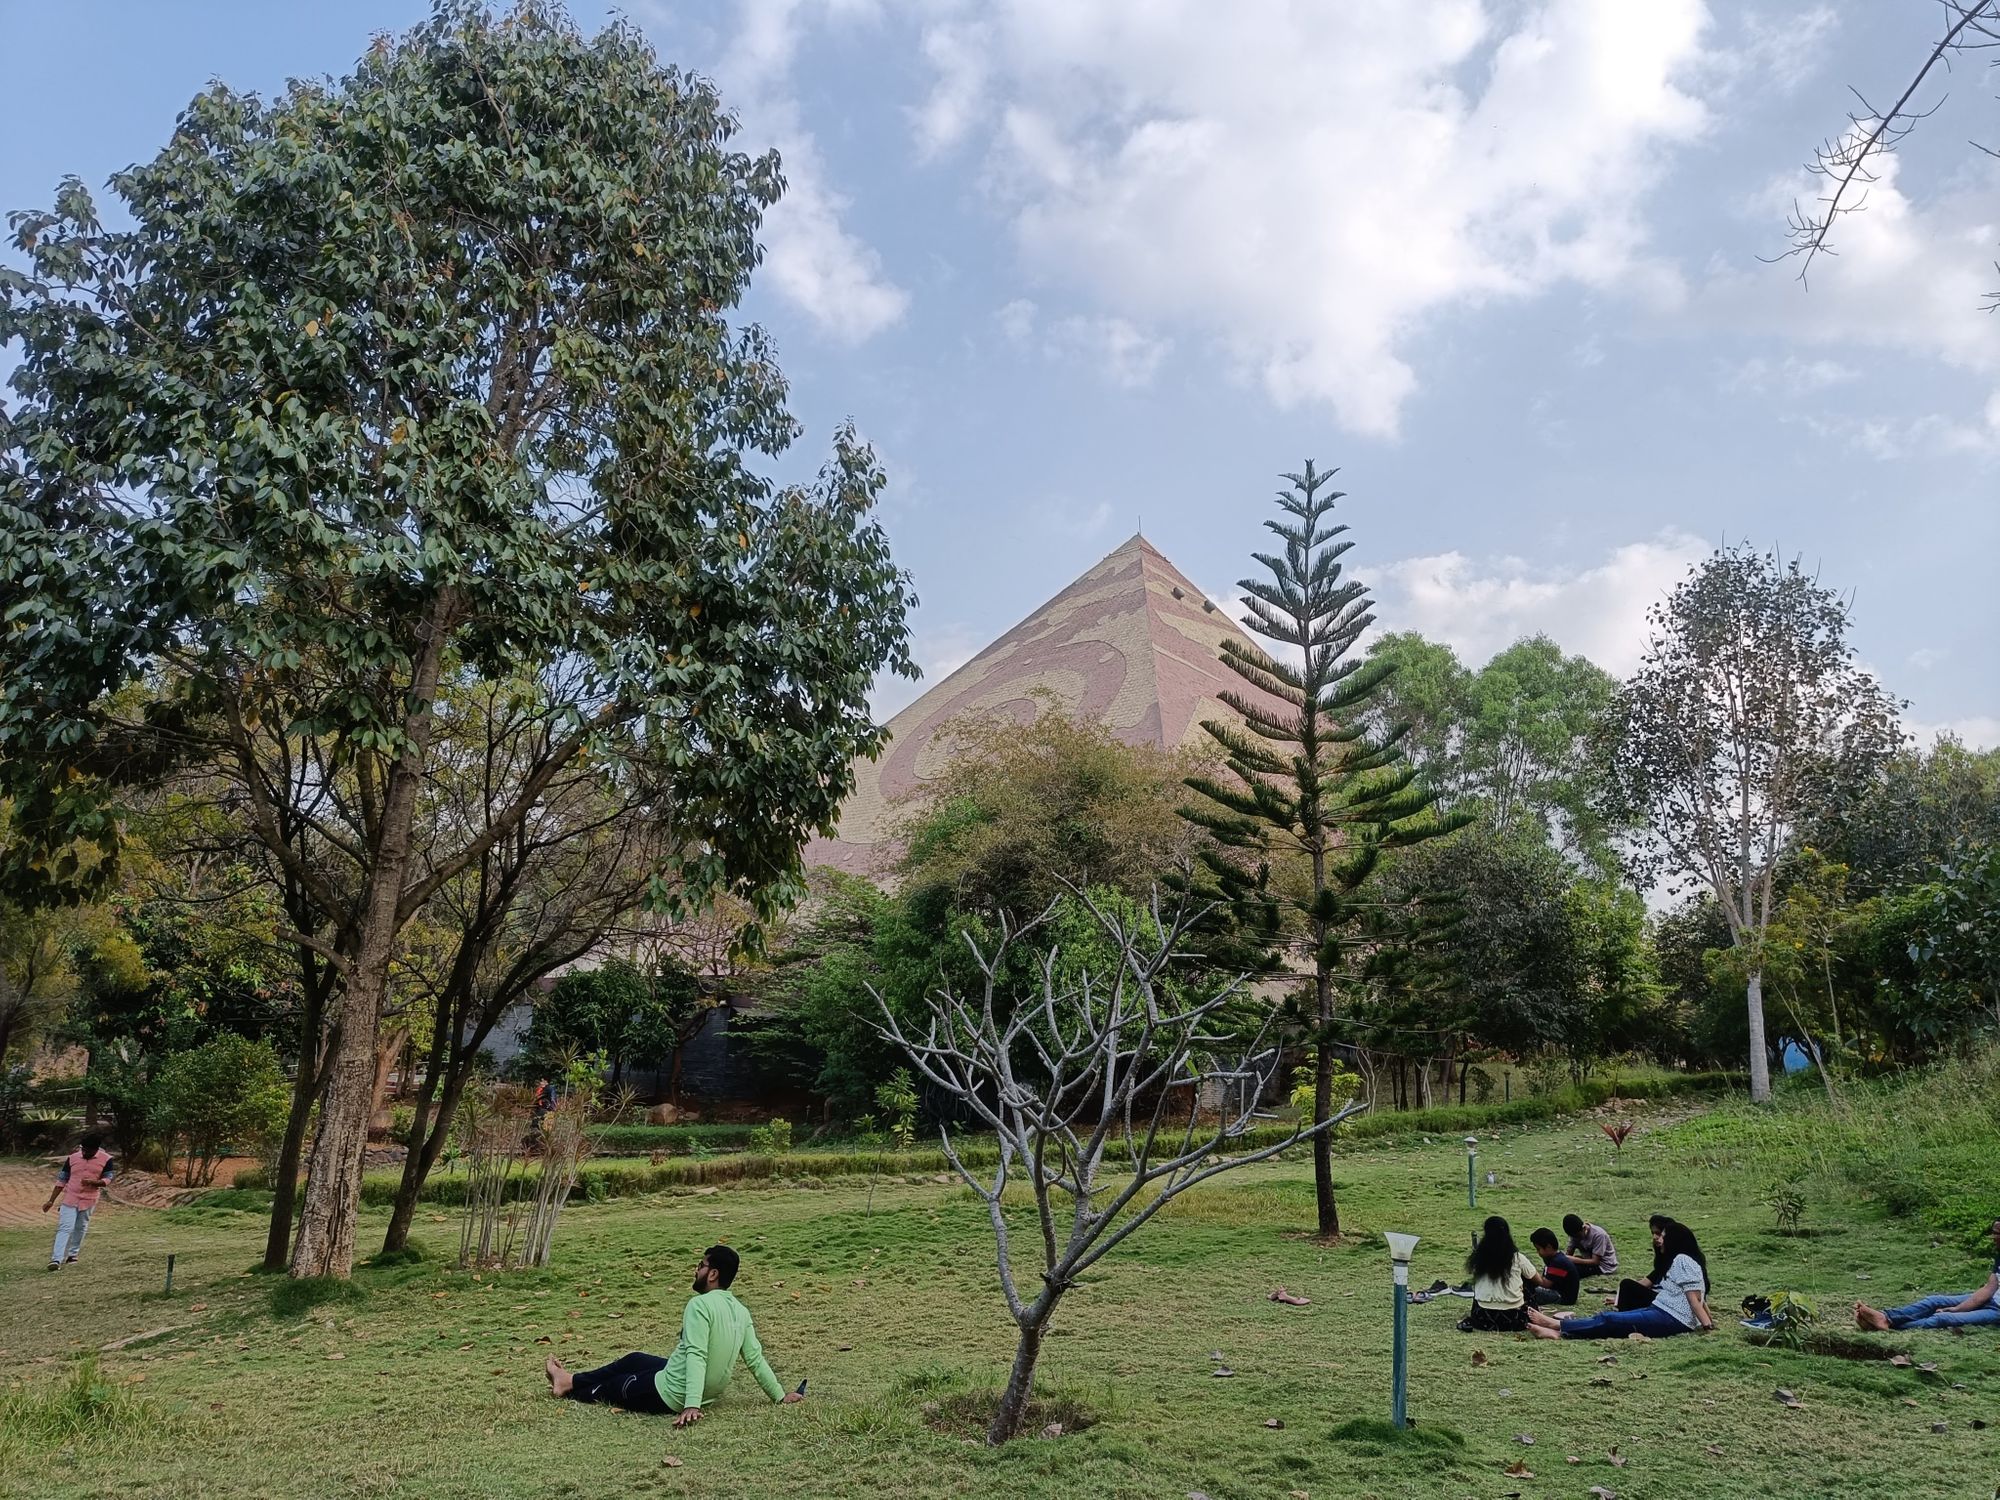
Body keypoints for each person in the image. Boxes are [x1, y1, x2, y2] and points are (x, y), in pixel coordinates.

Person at [545, 1244, 803, 1424]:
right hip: (706, 1391)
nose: (696, 1270)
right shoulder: (740, 1310)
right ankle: (569, 1379)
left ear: (712, 1274)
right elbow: (755, 1359)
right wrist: (779, 1395)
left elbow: (697, 1355)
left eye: (701, 1265)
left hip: (672, 1395)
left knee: (614, 1387)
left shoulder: (699, 1305)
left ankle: (568, 1388)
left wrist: (691, 1405)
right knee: (635, 1360)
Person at [1529, 1219, 1714, 1340]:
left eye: (1663, 1237)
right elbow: (1700, 1297)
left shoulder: (1683, 1260)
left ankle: (1558, 1327)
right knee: (1610, 1318)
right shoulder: (1688, 1261)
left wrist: (1707, 1326)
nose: (1659, 1241)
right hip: (1661, 1310)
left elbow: (1694, 1299)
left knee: (1610, 1319)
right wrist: (1708, 1321)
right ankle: (1560, 1330)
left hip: (1670, 1317)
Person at [1855, 1218, 2000, 1333]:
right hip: (1991, 1300)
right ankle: (1886, 1317)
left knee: (1942, 1318)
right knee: (1934, 1300)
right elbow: (1989, 1288)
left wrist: (1957, 1310)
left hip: (1997, 1311)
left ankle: (1886, 1325)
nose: (1993, 1237)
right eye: (1993, 1232)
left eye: (1997, 1233)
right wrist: (1959, 1307)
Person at [42, 1132, 117, 1271]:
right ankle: (56, 1259)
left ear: (96, 1149)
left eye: (88, 1150)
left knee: (81, 1227)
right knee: (65, 1227)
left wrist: (95, 1182)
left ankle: (73, 1254)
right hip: (70, 1198)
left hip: (89, 1199)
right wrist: (51, 1201)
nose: (84, 1152)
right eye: (83, 1149)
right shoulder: (72, 1158)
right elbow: (62, 1179)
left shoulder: (106, 1159)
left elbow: (108, 1178)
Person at [1458, 1216, 1544, 1333]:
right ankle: (1534, 1312)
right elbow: (1538, 1281)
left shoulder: (1478, 1258)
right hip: (1515, 1318)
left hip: (1483, 1318)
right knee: (1528, 1279)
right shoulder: (1517, 1258)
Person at [1527, 1227, 1583, 1308]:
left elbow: (1545, 1284)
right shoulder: (1555, 1258)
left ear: (1549, 1247)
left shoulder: (1559, 1262)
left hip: (1562, 1297)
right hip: (1557, 1292)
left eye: (1538, 1249)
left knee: (1529, 1290)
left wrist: (1530, 1274)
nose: (1538, 1253)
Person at [1561, 1213, 1619, 1280]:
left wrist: (1573, 1260)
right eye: (1573, 1237)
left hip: (1602, 1265)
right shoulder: (1574, 1235)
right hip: (1587, 1260)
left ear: (1583, 1228)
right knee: (1564, 1267)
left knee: (1571, 1272)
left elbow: (1595, 1262)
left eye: (1578, 1236)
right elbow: (1568, 1254)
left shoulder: (1599, 1235)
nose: (1577, 1238)